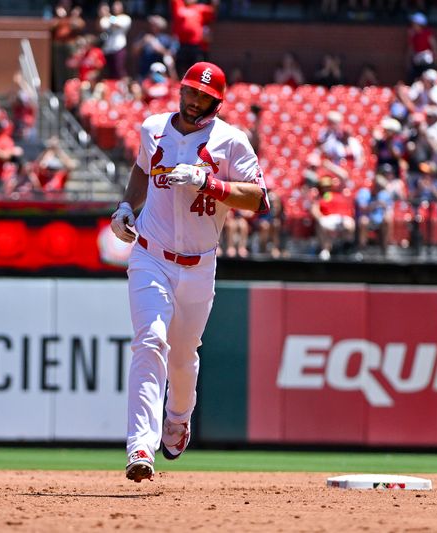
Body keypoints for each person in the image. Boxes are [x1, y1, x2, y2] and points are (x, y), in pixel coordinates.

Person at [109, 62, 269, 482]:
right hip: (150, 254)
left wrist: (209, 183)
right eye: (189, 92)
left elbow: (259, 200)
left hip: (199, 265)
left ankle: (178, 417)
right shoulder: (153, 127)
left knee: (182, 358)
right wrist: (127, 206)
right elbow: (143, 168)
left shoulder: (231, 141)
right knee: (150, 341)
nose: (193, 101)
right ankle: (140, 445)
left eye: (203, 96)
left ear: (216, 103)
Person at [171, 0, 219, 76]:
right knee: (180, 67)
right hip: (182, 44)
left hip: (195, 45)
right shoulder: (180, 7)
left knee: (197, 68)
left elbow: (213, 10)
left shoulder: (200, 9)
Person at [132, 15, 179, 81]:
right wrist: (142, 42)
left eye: (154, 24)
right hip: (144, 72)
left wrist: (158, 47)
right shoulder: (143, 36)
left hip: (159, 73)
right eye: (150, 24)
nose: (151, 26)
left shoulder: (166, 39)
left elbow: (171, 55)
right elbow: (134, 52)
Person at [99, 1, 132, 80]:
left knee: (119, 70)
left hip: (119, 48)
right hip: (107, 49)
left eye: (118, 5)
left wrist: (108, 15)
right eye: (114, 5)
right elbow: (100, 27)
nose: (115, 7)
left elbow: (117, 24)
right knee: (108, 72)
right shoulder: (107, 18)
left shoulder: (125, 18)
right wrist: (101, 15)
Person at [407, 12, 437, 81]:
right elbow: (411, 48)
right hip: (417, 60)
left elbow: (434, 45)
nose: (412, 25)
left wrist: (436, 56)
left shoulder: (427, 33)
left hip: (426, 59)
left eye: (414, 23)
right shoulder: (413, 35)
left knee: (428, 75)